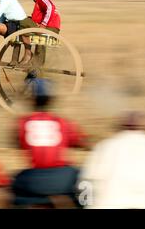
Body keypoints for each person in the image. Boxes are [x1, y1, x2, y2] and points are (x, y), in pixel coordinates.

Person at [11, 78, 88, 208]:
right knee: (86, 181)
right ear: (51, 100)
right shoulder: (62, 122)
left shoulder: (22, 122)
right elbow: (81, 142)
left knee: (13, 184)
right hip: (63, 178)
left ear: (32, 100)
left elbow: (17, 142)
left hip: (33, 179)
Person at [80, 111, 145, 209]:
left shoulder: (105, 146)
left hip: (108, 203)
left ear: (120, 127)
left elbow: (87, 180)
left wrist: (87, 204)